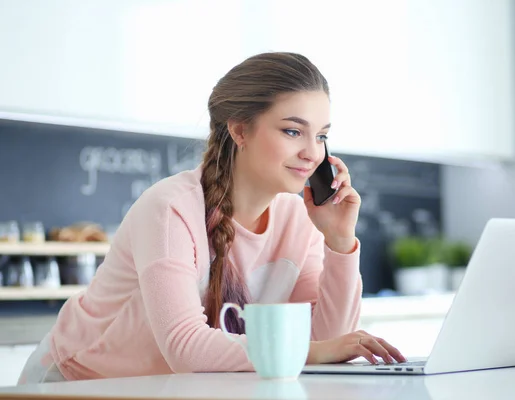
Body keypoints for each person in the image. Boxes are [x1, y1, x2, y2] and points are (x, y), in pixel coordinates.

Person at [18, 52, 405, 384]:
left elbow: (328, 343)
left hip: (164, 386)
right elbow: (186, 348)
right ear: (239, 130)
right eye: (292, 131)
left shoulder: (301, 218)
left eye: (321, 136)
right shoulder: (170, 208)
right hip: (74, 381)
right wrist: (314, 352)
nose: (312, 153)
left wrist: (339, 242)